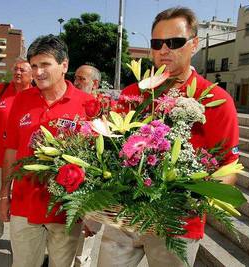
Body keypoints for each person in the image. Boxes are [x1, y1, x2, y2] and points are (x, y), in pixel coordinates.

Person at [97, 7, 239, 267]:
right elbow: (107, 150)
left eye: (174, 42)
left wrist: (195, 199)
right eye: (156, 43)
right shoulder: (133, 93)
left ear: (194, 44)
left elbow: (229, 169)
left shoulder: (217, 101)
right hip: (123, 220)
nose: (164, 50)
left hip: (178, 225)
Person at [0, 34, 94, 267]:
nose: (38, 72)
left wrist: (91, 209)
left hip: (66, 209)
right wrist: (4, 195)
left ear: (64, 65)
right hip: (24, 205)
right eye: (34, 66)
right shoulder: (21, 100)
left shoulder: (86, 104)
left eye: (45, 65)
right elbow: (11, 150)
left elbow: (96, 161)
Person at [0, 57, 32, 253]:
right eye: (15, 69)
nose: (18, 73)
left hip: (25, 159)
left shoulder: (36, 94)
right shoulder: (1, 90)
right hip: (0, 156)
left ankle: (21, 241)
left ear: (31, 75)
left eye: (23, 70)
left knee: (22, 202)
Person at [73, 64, 102, 267]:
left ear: (95, 84)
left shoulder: (105, 110)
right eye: (75, 78)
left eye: (81, 79)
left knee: (82, 248)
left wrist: (94, 215)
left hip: (92, 191)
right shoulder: (71, 104)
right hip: (69, 185)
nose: (76, 82)